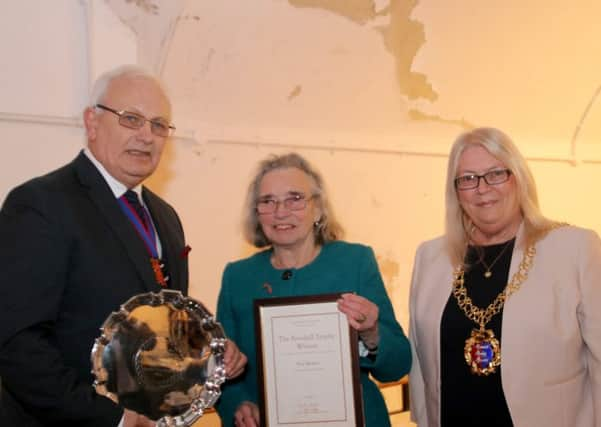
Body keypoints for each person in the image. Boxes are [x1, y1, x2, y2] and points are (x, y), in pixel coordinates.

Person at [0, 65, 246, 427]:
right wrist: (114, 419)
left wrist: (210, 353)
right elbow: (18, 344)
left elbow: (162, 329)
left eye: (159, 125)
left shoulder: (165, 217)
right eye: (131, 119)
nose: (147, 135)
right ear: (92, 122)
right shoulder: (41, 204)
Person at [408, 127, 601, 426]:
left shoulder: (574, 249)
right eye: (468, 179)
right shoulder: (430, 257)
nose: (483, 188)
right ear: (456, 191)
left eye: (496, 173)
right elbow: (420, 366)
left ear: (519, 179)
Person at [215, 152, 411, 426]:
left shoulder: (355, 261)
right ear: (257, 213)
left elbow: (398, 365)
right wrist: (238, 403)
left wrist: (372, 332)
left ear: (317, 209)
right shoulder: (238, 277)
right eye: (268, 201)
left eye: (295, 198)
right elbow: (220, 367)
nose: (281, 212)